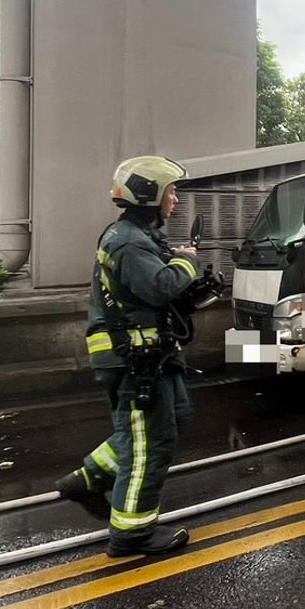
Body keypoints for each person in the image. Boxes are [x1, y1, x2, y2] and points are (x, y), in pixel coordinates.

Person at [55, 156, 202, 556]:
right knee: (150, 444)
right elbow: (159, 286)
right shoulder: (128, 241)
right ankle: (132, 533)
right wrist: (188, 261)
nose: (175, 199)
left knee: (174, 420)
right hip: (134, 358)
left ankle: (89, 479)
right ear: (149, 194)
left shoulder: (139, 236)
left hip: (150, 354)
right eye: (171, 191)